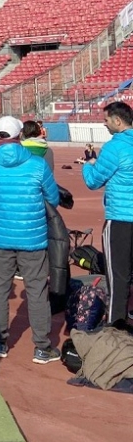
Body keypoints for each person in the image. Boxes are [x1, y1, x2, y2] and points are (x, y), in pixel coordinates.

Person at [0, 115, 61, 363]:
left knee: (0, 289)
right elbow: (53, 199)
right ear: (19, 136)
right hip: (33, 237)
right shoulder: (37, 165)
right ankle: (42, 346)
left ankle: (0, 342)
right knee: (37, 290)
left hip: (0, 235)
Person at [82, 101, 133, 329]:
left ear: (117, 120)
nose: (104, 124)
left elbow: (93, 181)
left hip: (121, 219)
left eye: (106, 119)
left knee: (117, 274)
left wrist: (88, 164)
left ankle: (115, 325)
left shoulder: (115, 147)